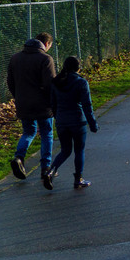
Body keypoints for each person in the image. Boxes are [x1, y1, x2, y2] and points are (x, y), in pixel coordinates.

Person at [6, 32, 57, 181]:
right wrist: (53, 103)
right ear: (47, 44)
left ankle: (19, 157)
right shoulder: (46, 59)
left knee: (28, 132)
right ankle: (46, 167)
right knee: (47, 133)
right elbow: (50, 85)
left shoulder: (15, 58)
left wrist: (18, 96)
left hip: (23, 102)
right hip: (43, 105)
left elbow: (10, 81)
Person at [45, 56, 98, 190]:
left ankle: (51, 171)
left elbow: (53, 104)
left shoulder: (56, 82)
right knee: (79, 150)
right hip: (77, 122)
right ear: (78, 68)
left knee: (65, 150)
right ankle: (78, 179)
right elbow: (87, 105)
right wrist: (92, 124)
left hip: (62, 122)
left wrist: (59, 118)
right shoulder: (81, 83)